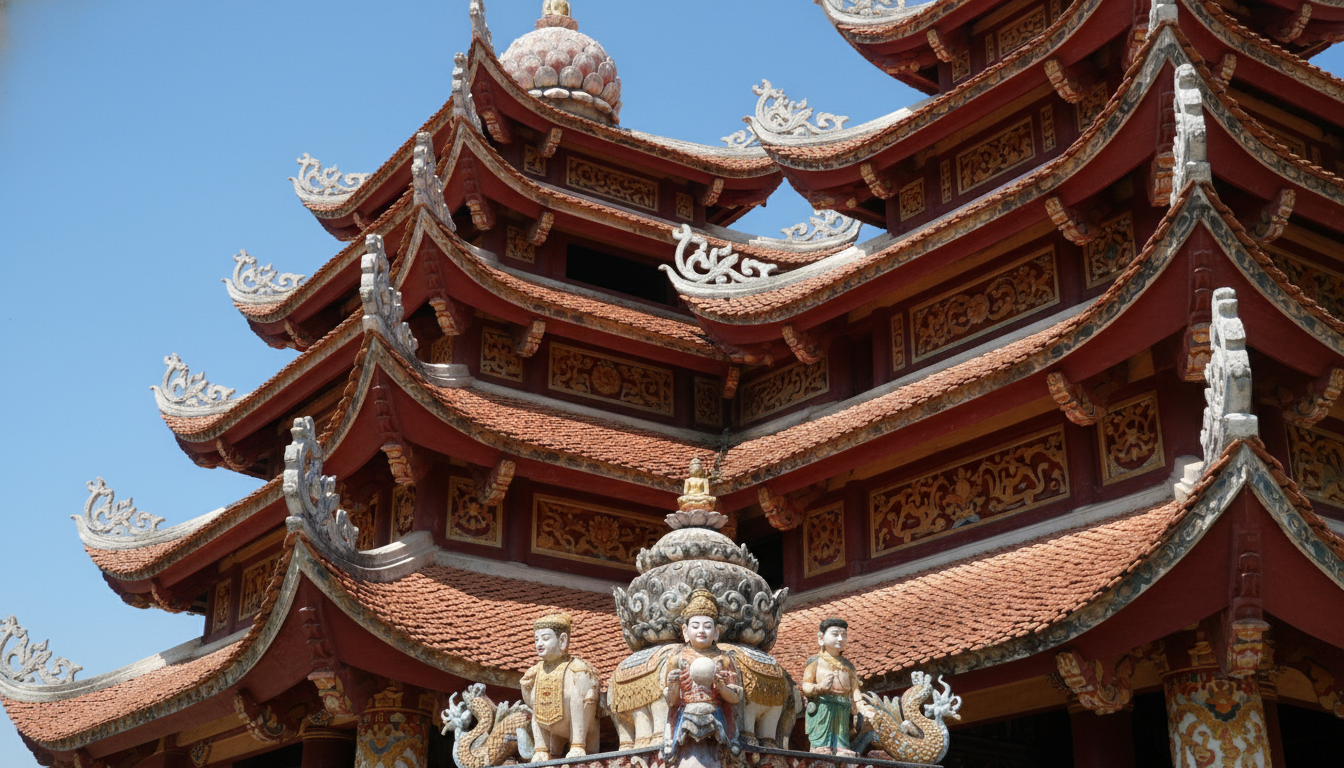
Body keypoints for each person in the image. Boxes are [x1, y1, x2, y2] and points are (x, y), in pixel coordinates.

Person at [662, 589, 742, 765]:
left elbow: (735, 697)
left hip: (715, 713)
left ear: (717, 631)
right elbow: (671, 702)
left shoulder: (724, 659)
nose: (701, 631)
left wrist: (720, 684)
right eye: (695, 626)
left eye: (707, 626)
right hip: (686, 713)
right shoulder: (677, 659)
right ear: (685, 630)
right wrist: (673, 685)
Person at [800, 617, 872, 755]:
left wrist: (861, 705)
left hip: (843, 705)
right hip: (823, 704)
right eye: (835, 634)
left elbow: (855, 689)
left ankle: (842, 747)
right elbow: (806, 685)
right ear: (821, 638)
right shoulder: (815, 661)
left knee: (842, 734)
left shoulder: (848, 666)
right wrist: (819, 687)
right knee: (823, 736)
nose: (840, 638)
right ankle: (821, 746)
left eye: (844, 635)